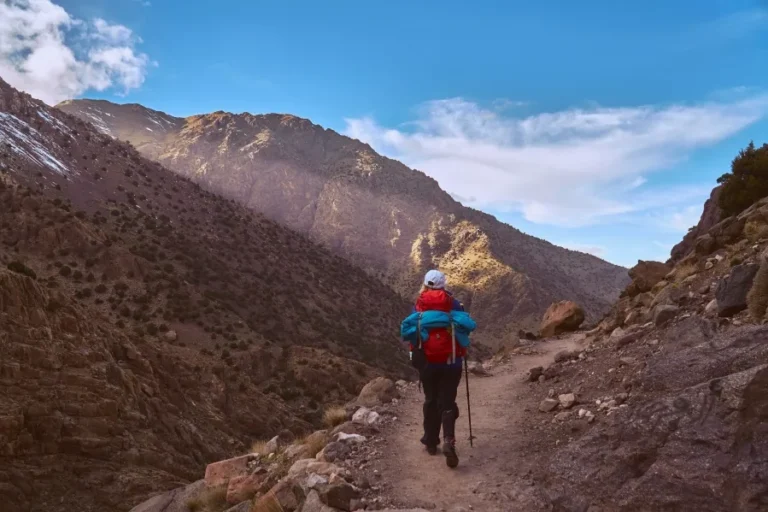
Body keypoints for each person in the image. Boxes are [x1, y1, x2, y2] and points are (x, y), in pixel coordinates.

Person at [411, 269, 466, 468]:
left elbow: (412, 334)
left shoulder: (419, 305)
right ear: (444, 285)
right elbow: (465, 328)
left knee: (431, 399)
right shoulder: (454, 303)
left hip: (427, 363)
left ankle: (431, 442)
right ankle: (449, 441)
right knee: (448, 401)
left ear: (425, 284)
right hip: (452, 362)